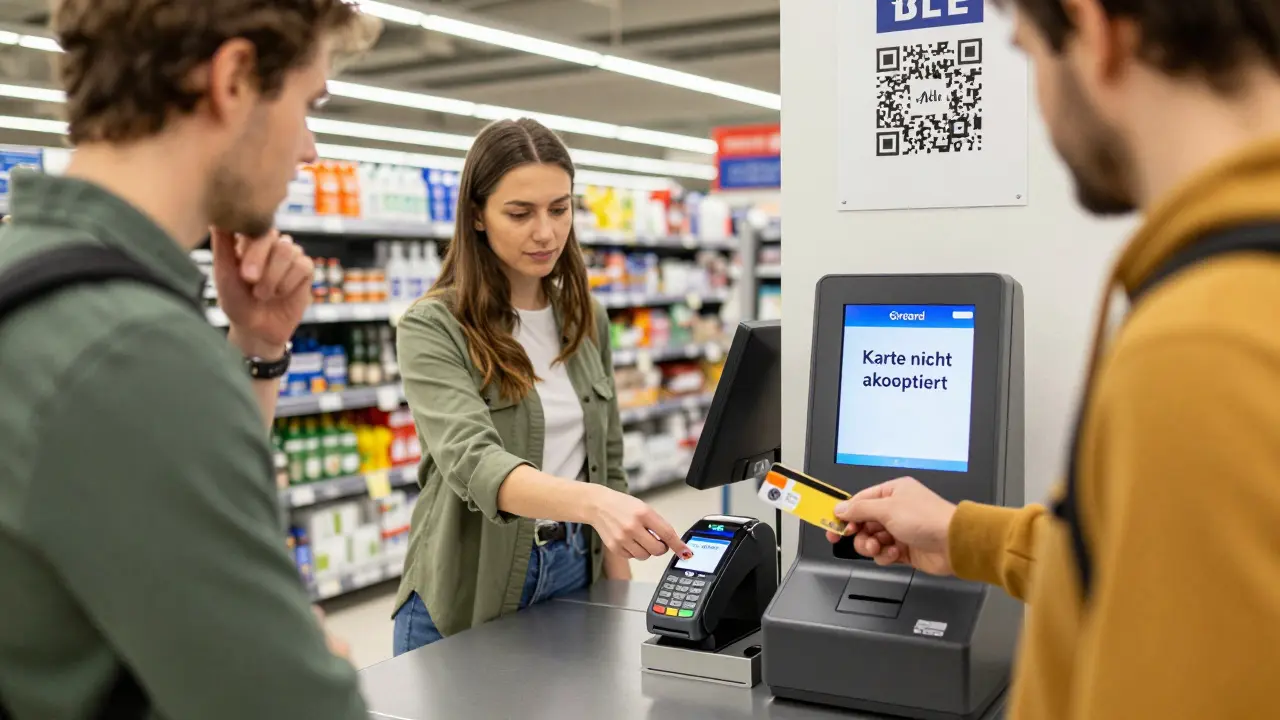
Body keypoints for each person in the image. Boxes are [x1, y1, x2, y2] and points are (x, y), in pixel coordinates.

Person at [829, 1, 1280, 718]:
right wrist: (964, 535)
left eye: (1029, 51)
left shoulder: (1199, 346)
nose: (1039, 99)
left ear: (1093, 30)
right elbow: (1133, 568)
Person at [0, 1, 379, 718]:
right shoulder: (133, 351)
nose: (310, 149)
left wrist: (258, 349)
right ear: (234, 78)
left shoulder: (28, 276)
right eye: (307, 103)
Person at [391, 118, 694, 653]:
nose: (546, 232)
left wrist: (615, 569)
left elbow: (608, 455)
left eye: (559, 208)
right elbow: (473, 462)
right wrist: (594, 504)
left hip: (578, 567)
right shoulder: (434, 326)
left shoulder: (585, 317)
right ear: (477, 216)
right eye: (520, 213)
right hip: (470, 587)